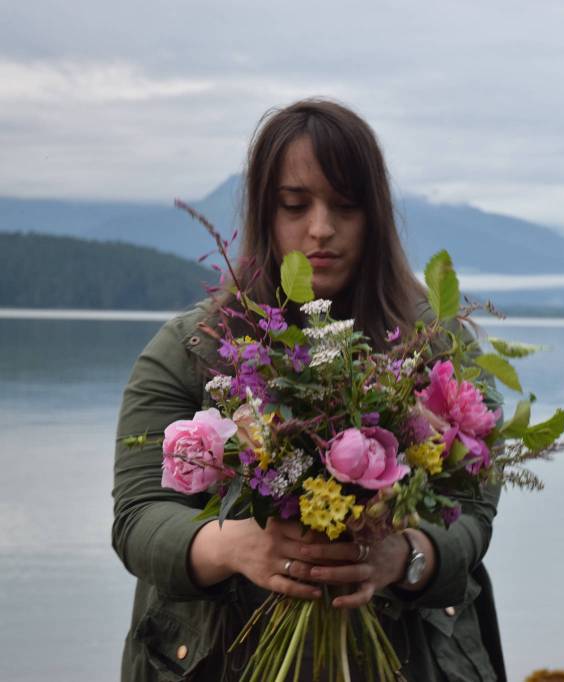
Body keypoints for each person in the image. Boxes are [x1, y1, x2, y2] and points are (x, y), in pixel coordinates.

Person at [112, 99, 505, 681]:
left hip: (410, 659)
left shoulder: (439, 350)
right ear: (264, 213)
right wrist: (234, 546)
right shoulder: (190, 348)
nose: (320, 228)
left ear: (375, 215)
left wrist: (405, 557)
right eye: (295, 205)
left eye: (345, 205)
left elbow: (473, 515)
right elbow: (138, 519)